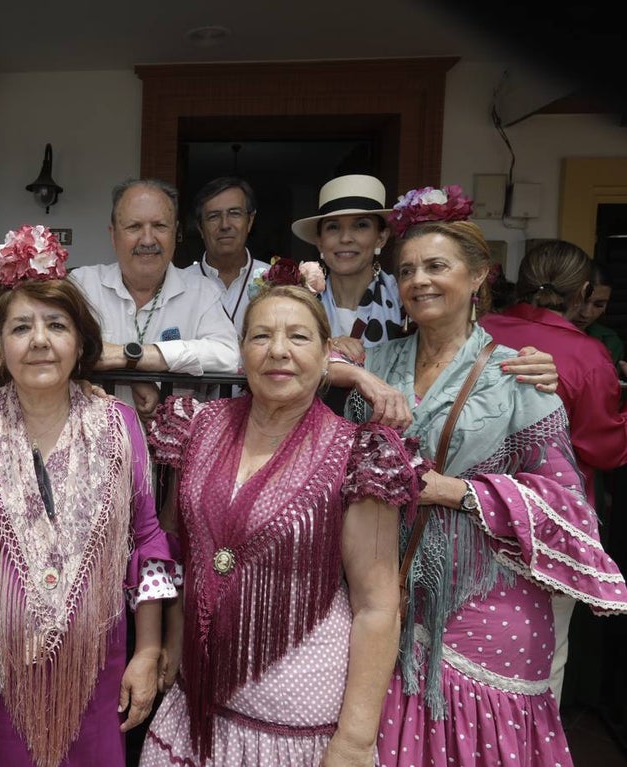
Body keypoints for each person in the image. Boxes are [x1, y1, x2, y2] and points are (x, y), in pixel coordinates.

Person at [349, 186, 627, 766]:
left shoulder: (519, 377)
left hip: (489, 598)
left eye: (436, 266)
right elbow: (291, 354)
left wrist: (453, 491)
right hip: (387, 587)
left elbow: (566, 502)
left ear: (479, 276)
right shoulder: (376, 364)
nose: (419, 280)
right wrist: (351, 375)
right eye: (406, 271)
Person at [138, 276, 426, 766]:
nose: (278, 351)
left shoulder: (356, 453)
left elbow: (377, 607)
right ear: (241, 351)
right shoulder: (198, 426)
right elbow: (183, 552)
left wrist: (354, 742)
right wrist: (168, 644)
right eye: (260, 336)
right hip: (195, 706)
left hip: (295, 725)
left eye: (298, 336)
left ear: (328, 355)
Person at [0, 225, 176, 767]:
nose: (40, 340)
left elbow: (147, 541)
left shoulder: (117, 424)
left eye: (57, 325)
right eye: (21, 327)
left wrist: (147, 652)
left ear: (81, 342)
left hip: (98, 673)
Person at [479, 238, 627, 702]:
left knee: (462, 644)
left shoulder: (478, 329)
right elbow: (605, 450)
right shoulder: (587, 354)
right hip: (548, 520)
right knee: (544, 653)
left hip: (471, 505)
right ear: (583, 291)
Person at [69, 178, 240, 378]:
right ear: (113, 235)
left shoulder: (202, 292)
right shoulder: (83, 286)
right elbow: (57, 347)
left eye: (159, 226)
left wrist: (134, 356)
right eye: (134, 227)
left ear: (175, 232)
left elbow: (228, 355)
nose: (148, 240)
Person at [291, 174, 403, 348]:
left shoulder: (403, 299)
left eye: (361, 225)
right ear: (320, 242)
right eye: (333, 227)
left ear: (381, 238)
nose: (345, 238)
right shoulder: (298, 302)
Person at [183, 176, 270, 337]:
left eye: (234, 214)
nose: (225, 225)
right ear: (200, 228)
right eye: (213, 216)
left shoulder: (274, 280)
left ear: (250, 221)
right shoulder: (180, 284)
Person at [570, 260, 624, 368]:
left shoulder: (610, 342)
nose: (586, 313)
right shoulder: (537, 332)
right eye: (580, 301)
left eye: (599, 305)